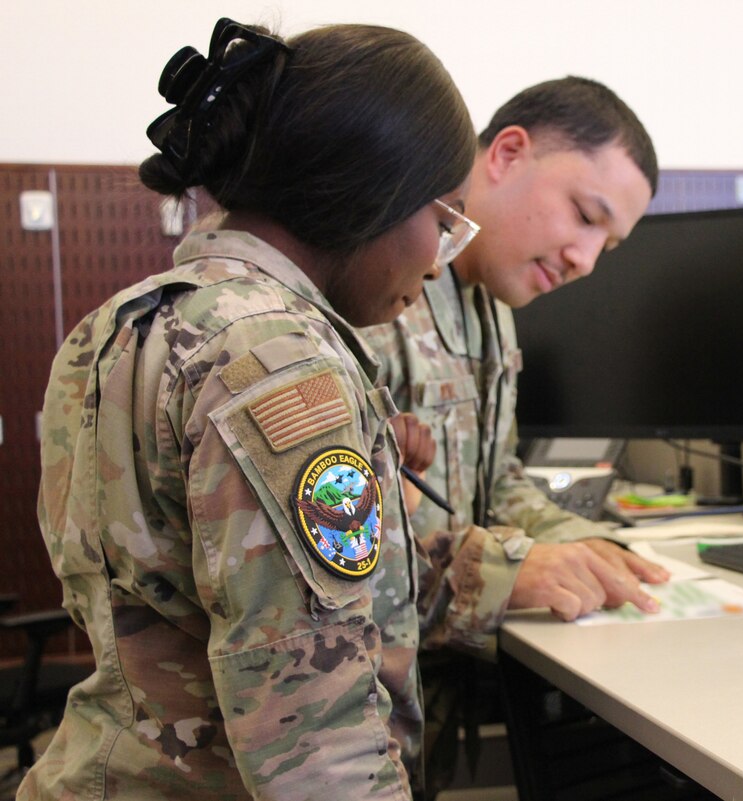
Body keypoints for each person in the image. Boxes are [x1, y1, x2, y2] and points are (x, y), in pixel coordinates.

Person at [24, 21, 648, 801]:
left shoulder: (123, 323)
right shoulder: (282, 363)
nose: (435, 258)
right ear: (374, 190)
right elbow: (315, 741)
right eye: (445, 217)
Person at [360, 76, 667, 794]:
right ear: (506, 152)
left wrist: (584, 547)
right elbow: (327, 543)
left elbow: (495, 480)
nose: (585, 260)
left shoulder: (491, 303)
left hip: (417, 711)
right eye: (585, 216)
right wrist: (505, 572)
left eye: (609, 244)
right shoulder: (372, 276)